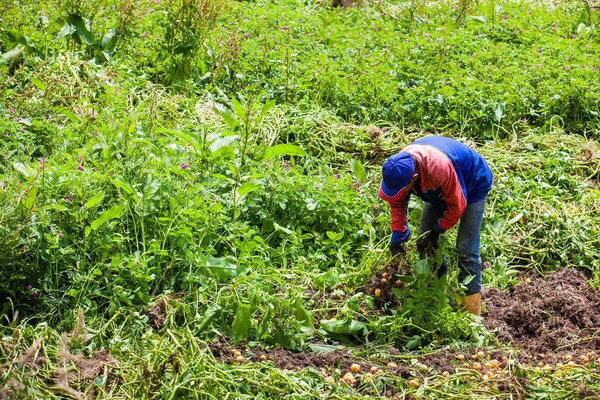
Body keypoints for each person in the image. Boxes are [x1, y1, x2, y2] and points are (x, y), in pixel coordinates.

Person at [378, 135, 493, 316]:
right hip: (438, 188)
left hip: (473, 184)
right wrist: (398, 234)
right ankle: (438, 296)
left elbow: (457, 206)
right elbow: (396, 202)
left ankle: (472, 315)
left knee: (465, 248)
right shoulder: (397, 168)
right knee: (423, 242)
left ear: (413, 178)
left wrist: (438, 230)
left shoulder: (439, 168)